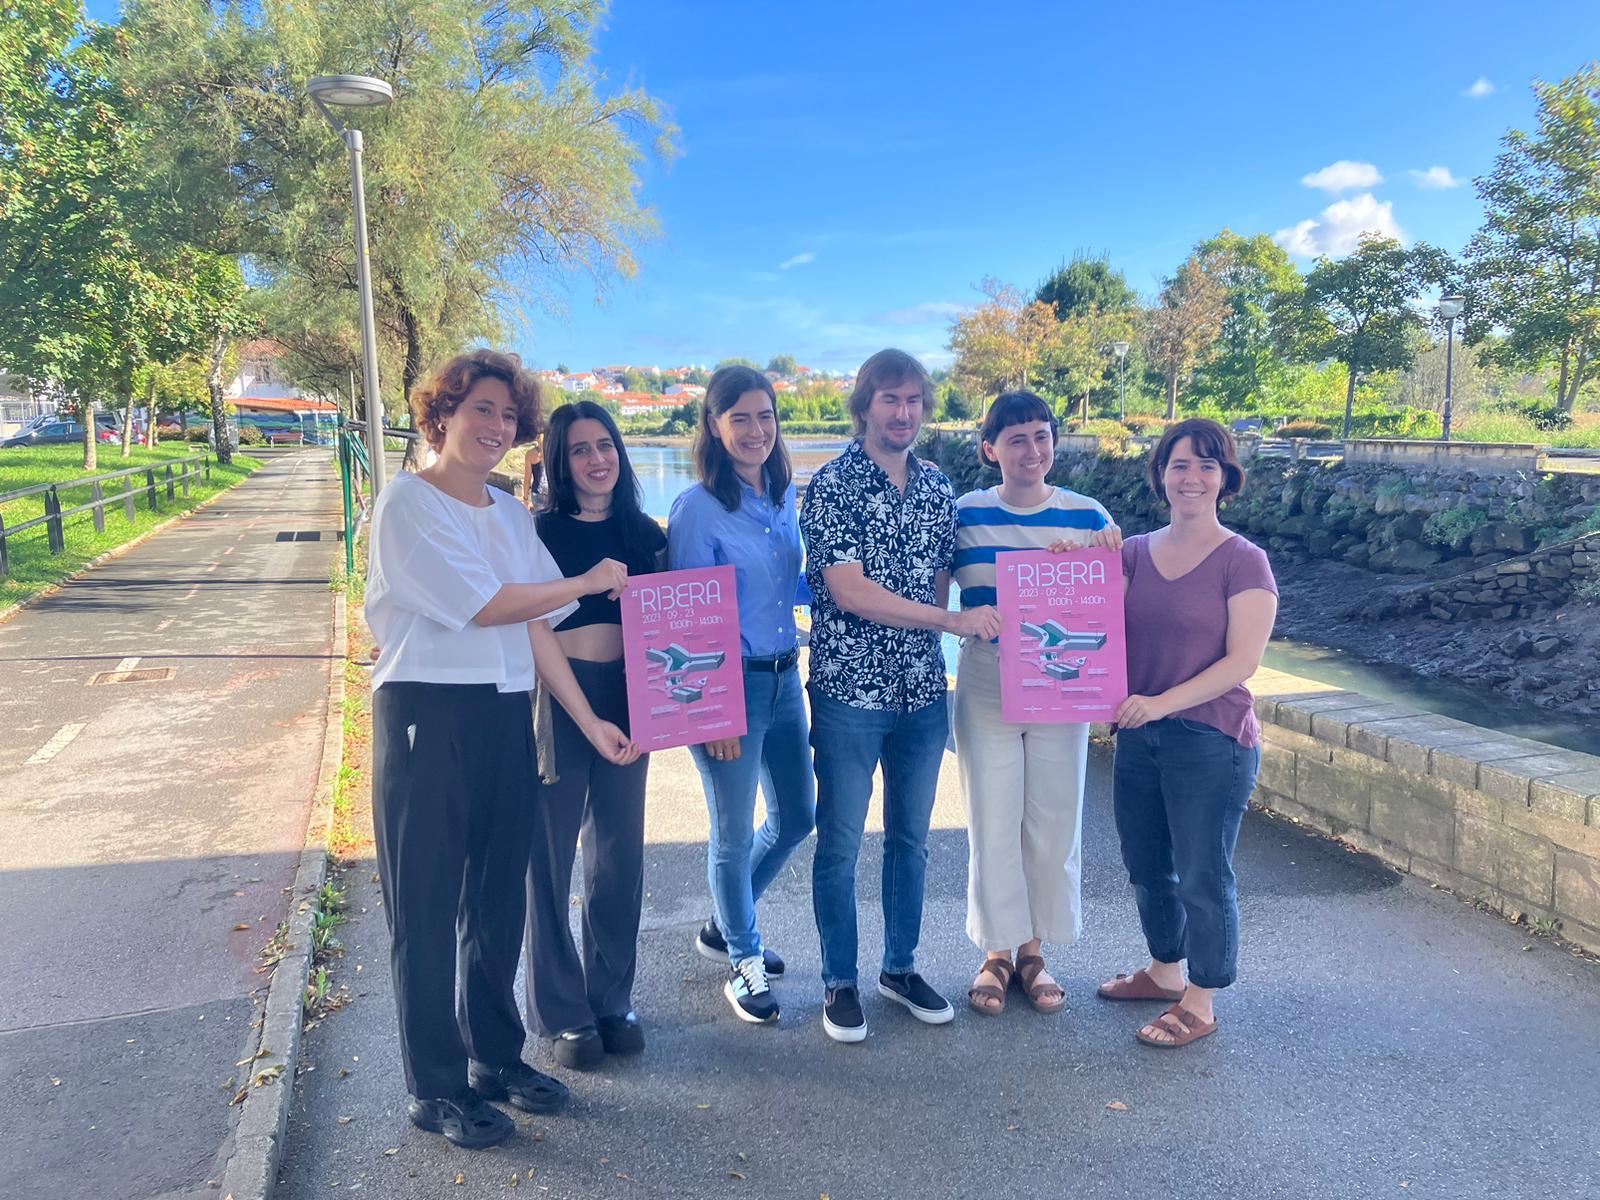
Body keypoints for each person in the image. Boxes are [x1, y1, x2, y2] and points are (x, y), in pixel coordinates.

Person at [365, 351, 639, 1149]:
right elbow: (488, 605)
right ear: (441, 415)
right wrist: (587, 579)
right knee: (424, 903)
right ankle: (435, 1086)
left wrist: (590, 725)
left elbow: (535, 629)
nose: (494, 427)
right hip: (426, 716)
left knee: (494, 902)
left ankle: (494, 1058)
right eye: (480, 409)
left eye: (508, 416)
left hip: (504, 716)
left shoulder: (511, 516)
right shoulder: (406, 506)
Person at [800, 348, 1002, 1044]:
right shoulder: (830, 486)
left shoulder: (940, 487)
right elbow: (847, 589)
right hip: (848, 691)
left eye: (914, 400)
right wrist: (946, 623)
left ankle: (900, 966)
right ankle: (838, 981)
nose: (904, 412)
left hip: (921, 691)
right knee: (843, 843)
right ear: (865, 407)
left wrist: (1090, 555)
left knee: (911, 842)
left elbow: (946, 571)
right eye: (890, 399)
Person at [1097, 418, 1278, 1049]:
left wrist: (1159, 702)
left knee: (1202, 871)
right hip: (1140, 736)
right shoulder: (1134, 553)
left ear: (1226, 477)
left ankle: (1201, 999)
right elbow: (1088, 624)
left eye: (1207, 464)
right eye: (1179, 465)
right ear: (1160, 476)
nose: (1192, 477)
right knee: (1146, 864)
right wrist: (1073, 561)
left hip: (1211, 738)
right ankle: (1164, 970)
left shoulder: (1244, 560)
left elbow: (1240, 663)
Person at [951, 391, 1121, 1017]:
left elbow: (1110, 605)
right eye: (1016, 438)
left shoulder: (1087, 516)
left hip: (1061, 679)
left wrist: (1104, 561)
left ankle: (1034, 950)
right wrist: (966, 621)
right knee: (992, 818)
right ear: (990, 448)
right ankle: (997, 953)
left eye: (1042, 435)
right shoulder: (963, 512)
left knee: (1053, 821)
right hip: (989, 675)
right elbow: (941, 599)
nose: (1032, 449)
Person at [668, 365, 815, 1025]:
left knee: (798, 817)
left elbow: (789, 586)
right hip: (734, 683)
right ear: (714, 425)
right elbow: (686, 616)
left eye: (766, 416)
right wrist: (711, 704)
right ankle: (744, 960)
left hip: (787, 678)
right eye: (740, 418)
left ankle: (726, 924)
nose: (756, 430)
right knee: (731, 834)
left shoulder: (782, 496)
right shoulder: (698, 508)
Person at [523, 401, 666, 1069]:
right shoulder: (538, 533)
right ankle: (561, 1012)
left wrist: (659, 711)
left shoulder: (648, 533)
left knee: (617, 859)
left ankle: (612, 998)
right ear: (561, 460)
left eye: (604, 444)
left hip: (630, 699)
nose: (596, 459)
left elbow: (677, 631)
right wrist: (586, 713)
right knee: (547, 859)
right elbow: (534, 631)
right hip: (560, 698)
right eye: (579, 449)